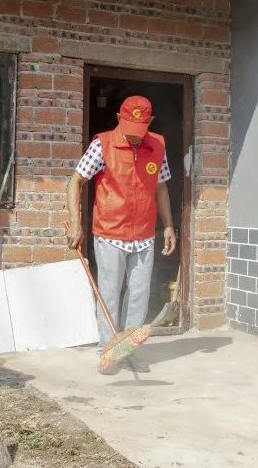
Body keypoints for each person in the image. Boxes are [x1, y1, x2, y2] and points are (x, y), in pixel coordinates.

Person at [66, 95, 177, 372]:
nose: (135, 138)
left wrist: (169, 226)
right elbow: (76, 179)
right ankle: (108, 351)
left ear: (149, 122)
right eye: (130, 129)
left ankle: (128, 350)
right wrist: (76, 222)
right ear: (119, 119)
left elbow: (161, 187)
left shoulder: (157, 145)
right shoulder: (102, 144)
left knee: (139, 295)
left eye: (140, 130)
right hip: (109, 232)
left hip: (144, 234)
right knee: (110, 294)